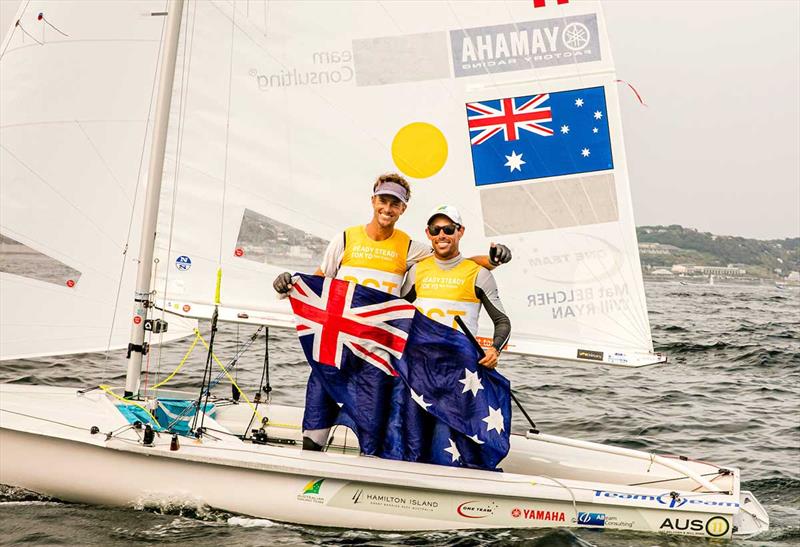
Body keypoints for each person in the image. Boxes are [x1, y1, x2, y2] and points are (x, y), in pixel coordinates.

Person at [273, 173, 511, 450]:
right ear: (373, 201)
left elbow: (453, 261)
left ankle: (367, 485)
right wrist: (285, 285)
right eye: (383, 200)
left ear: (403, 209)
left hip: (377, 356)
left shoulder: (410, 248)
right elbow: (318, 282)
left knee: (371, 437)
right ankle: (309, 476)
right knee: (315, 424)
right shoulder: (346, 239)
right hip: (335, 347)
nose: (387, 208)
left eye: (395, 203)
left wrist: (492, 262)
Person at [401, 204, 510, 369]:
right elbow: (396, 312)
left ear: (461, 231)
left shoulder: (480, 274)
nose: (441, 235)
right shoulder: (417, 270)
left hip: (461, 368)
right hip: (422, 368)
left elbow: (502, 321)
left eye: (449, 229)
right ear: (428, 233)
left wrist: (494, 350)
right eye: (435, 230)